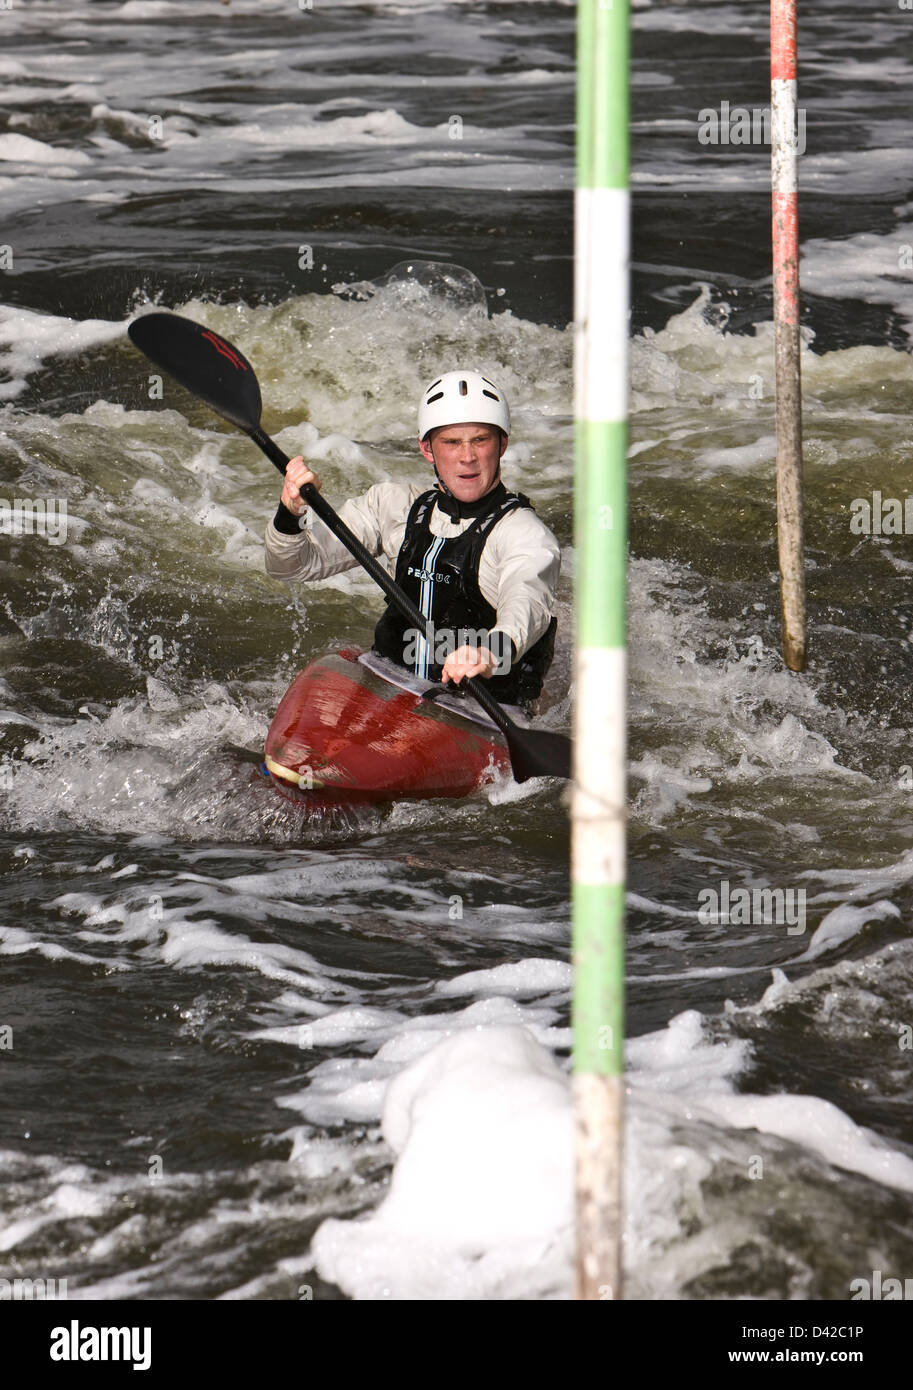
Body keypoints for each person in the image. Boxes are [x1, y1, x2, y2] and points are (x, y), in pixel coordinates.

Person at [263, 370, 560, 712]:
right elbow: (291, 566)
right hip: (389, 686)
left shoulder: (525, 534)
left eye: (480, 440)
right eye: (451, 442)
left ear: (502, 444)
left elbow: (527, 603)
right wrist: (290, 513)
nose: (467, 457)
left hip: (480, 713)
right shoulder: (392, 507)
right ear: (426, 449)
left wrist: (492, 650)